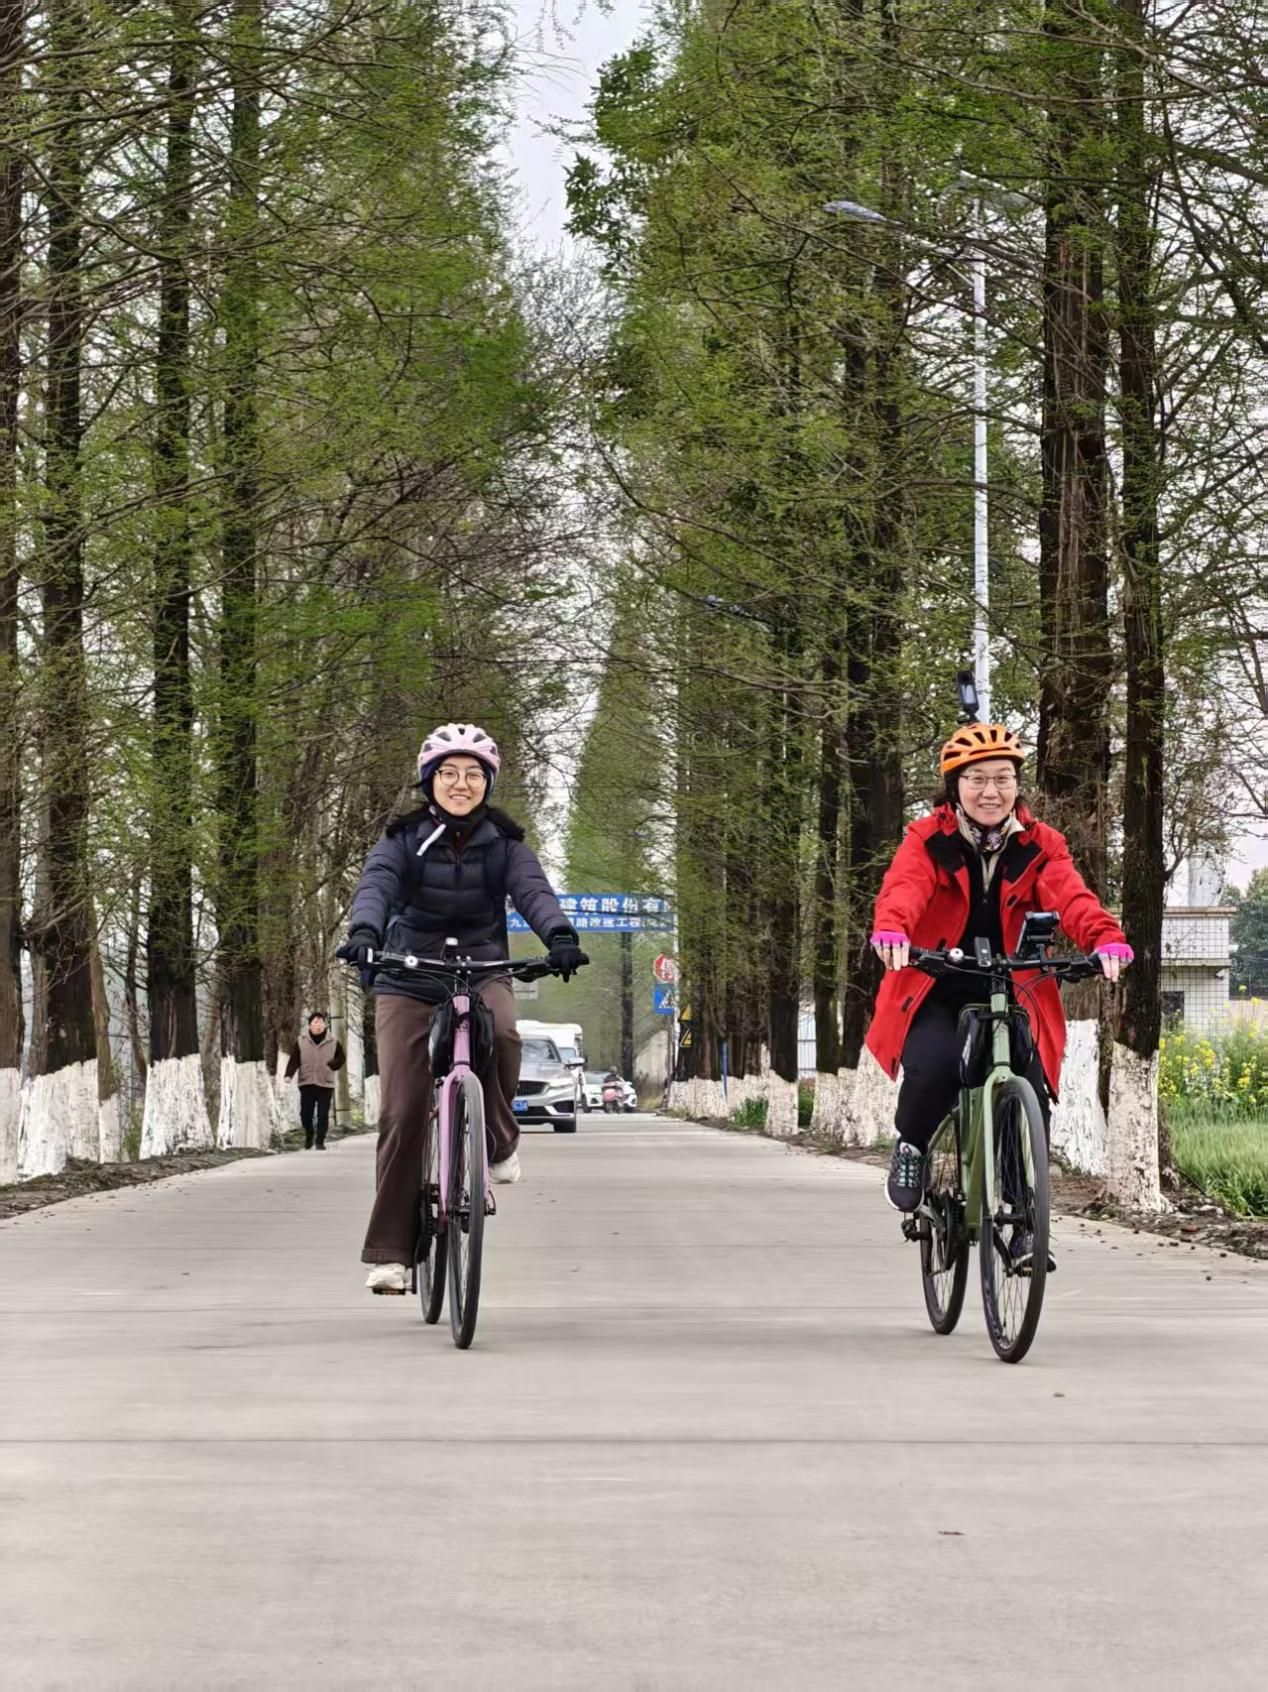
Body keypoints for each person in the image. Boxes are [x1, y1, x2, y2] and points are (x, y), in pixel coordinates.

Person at [337, 723, 588, 1295]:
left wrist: (559, 936)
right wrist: (364, 932)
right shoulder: (402, 840)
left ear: (487, 783)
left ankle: (498, 1140)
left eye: (473, 774)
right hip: (407, 973)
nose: (461, 783)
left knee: (505, 1034)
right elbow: (376, 885)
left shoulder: (505, 845)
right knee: (403, 1113)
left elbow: (534, 892)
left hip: (481, 967)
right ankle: (391, 1254)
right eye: (448, 773)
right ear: (430, 781)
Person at [866, 722, 1133, 1242]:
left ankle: (1024, 1213)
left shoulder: (1041, 845)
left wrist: (1105, 938)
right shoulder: (928, 840)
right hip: (939, 982)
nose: (991, 791)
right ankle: (913, 1146)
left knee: (1027, 1085)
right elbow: (904, 890)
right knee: (935, 1067)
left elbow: (1071, 898)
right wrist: (893, 930)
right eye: (978, 779)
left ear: (1017, 785)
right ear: (955, 787)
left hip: (1012, 985)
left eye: (1003, 779)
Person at [284, 1011, 347, 1149]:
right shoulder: (301, 1040)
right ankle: (309, 1133)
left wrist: (333, 1065)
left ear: (325, 1025)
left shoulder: (333, 1041)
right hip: (307, 1081)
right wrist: (289, 1075)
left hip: (325, 1082)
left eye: (321, 1022)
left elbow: (341, 1057)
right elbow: (294, 1059)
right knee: (306, 1114)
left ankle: (320, 1141)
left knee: (323, 1114)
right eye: (315, 1022)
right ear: (310, 1025)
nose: (318, 1025)